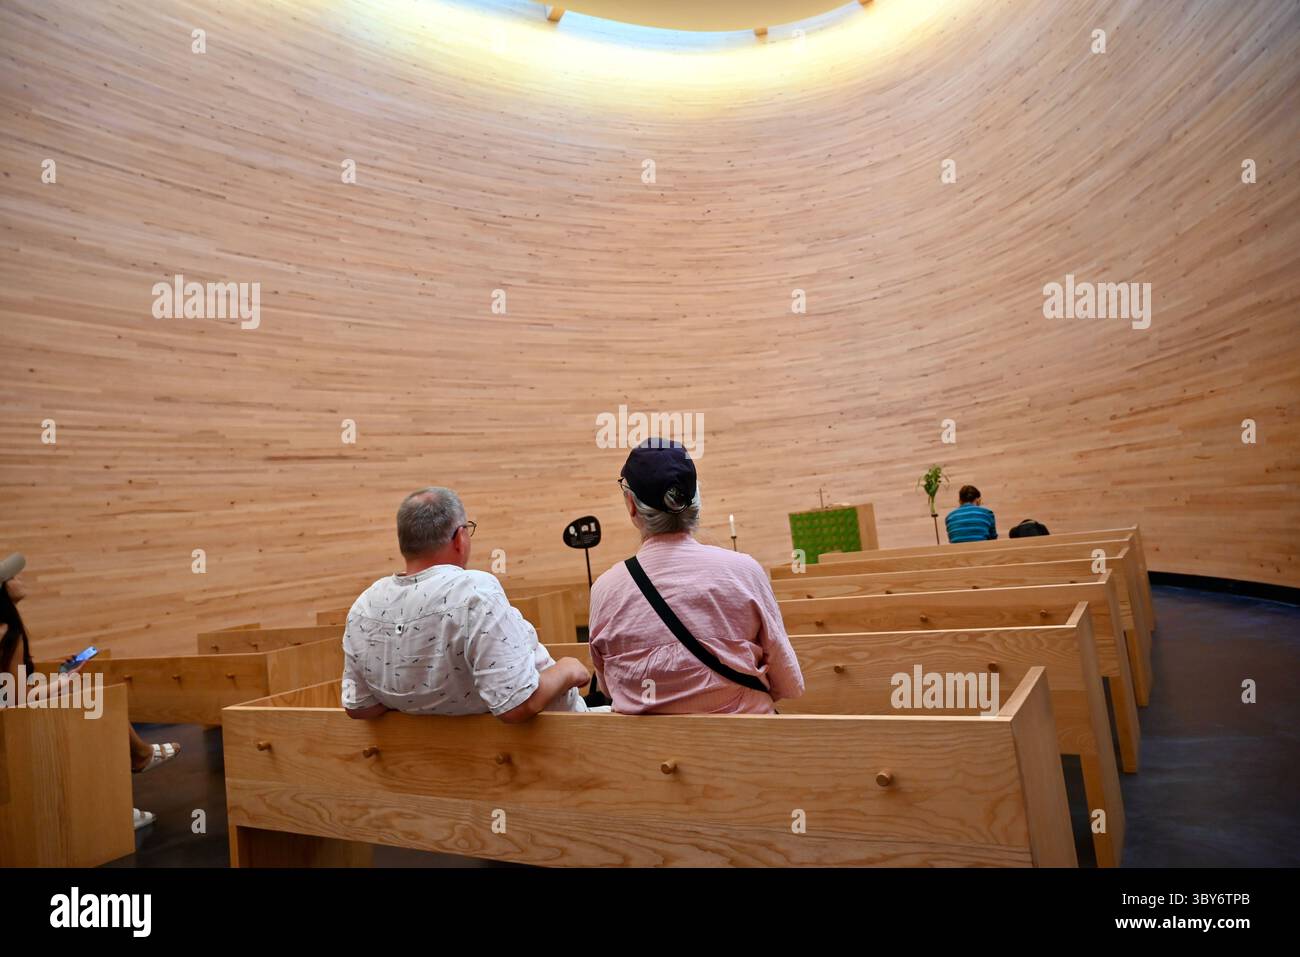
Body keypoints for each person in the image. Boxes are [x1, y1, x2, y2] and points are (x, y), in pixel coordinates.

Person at [587, 440, 804, 715]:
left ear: (631, 505)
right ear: (696, 502)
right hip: (749, 748)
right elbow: (787, 684)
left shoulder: (604, 590)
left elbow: (609, 688)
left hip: (647, 754)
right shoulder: (744, 571)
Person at [341, 487, 590, 722]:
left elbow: (360, 706)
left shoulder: (364, 606)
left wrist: (417, 697)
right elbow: (516, 704)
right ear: (460, 538)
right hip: (548, 747)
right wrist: (568, 670)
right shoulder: (475, 592)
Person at [0, 552, 180, 830]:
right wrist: (62, 684)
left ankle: (136, 766)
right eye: (12, 577)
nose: (19, 579)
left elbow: (8, 691)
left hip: (9, 721)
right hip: (12, 730)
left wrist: (59, 678)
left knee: (92, 702)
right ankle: (122, 794)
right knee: (98, 707)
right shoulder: (7, 633)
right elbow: (15, 699)